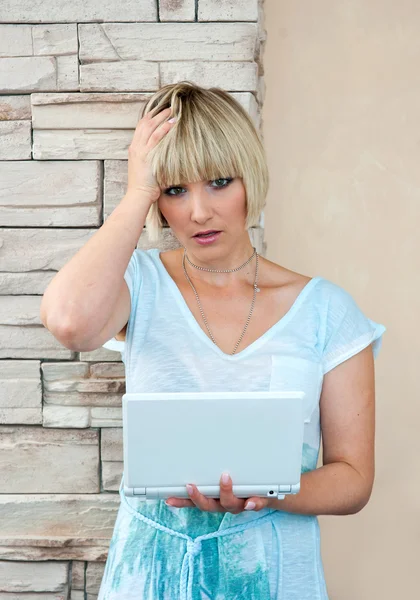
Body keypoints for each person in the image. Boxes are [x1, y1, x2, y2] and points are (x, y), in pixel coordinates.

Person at [41, 81, 386, 600]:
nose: (199, 211)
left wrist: (263, 495)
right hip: (150, 573)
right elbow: (69, 321)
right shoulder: (138, 283)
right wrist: (137, 190)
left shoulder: (326, 311)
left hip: (272, 576)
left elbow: (354, 478)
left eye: (220, 182)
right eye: (175, 190)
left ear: (251, 178)